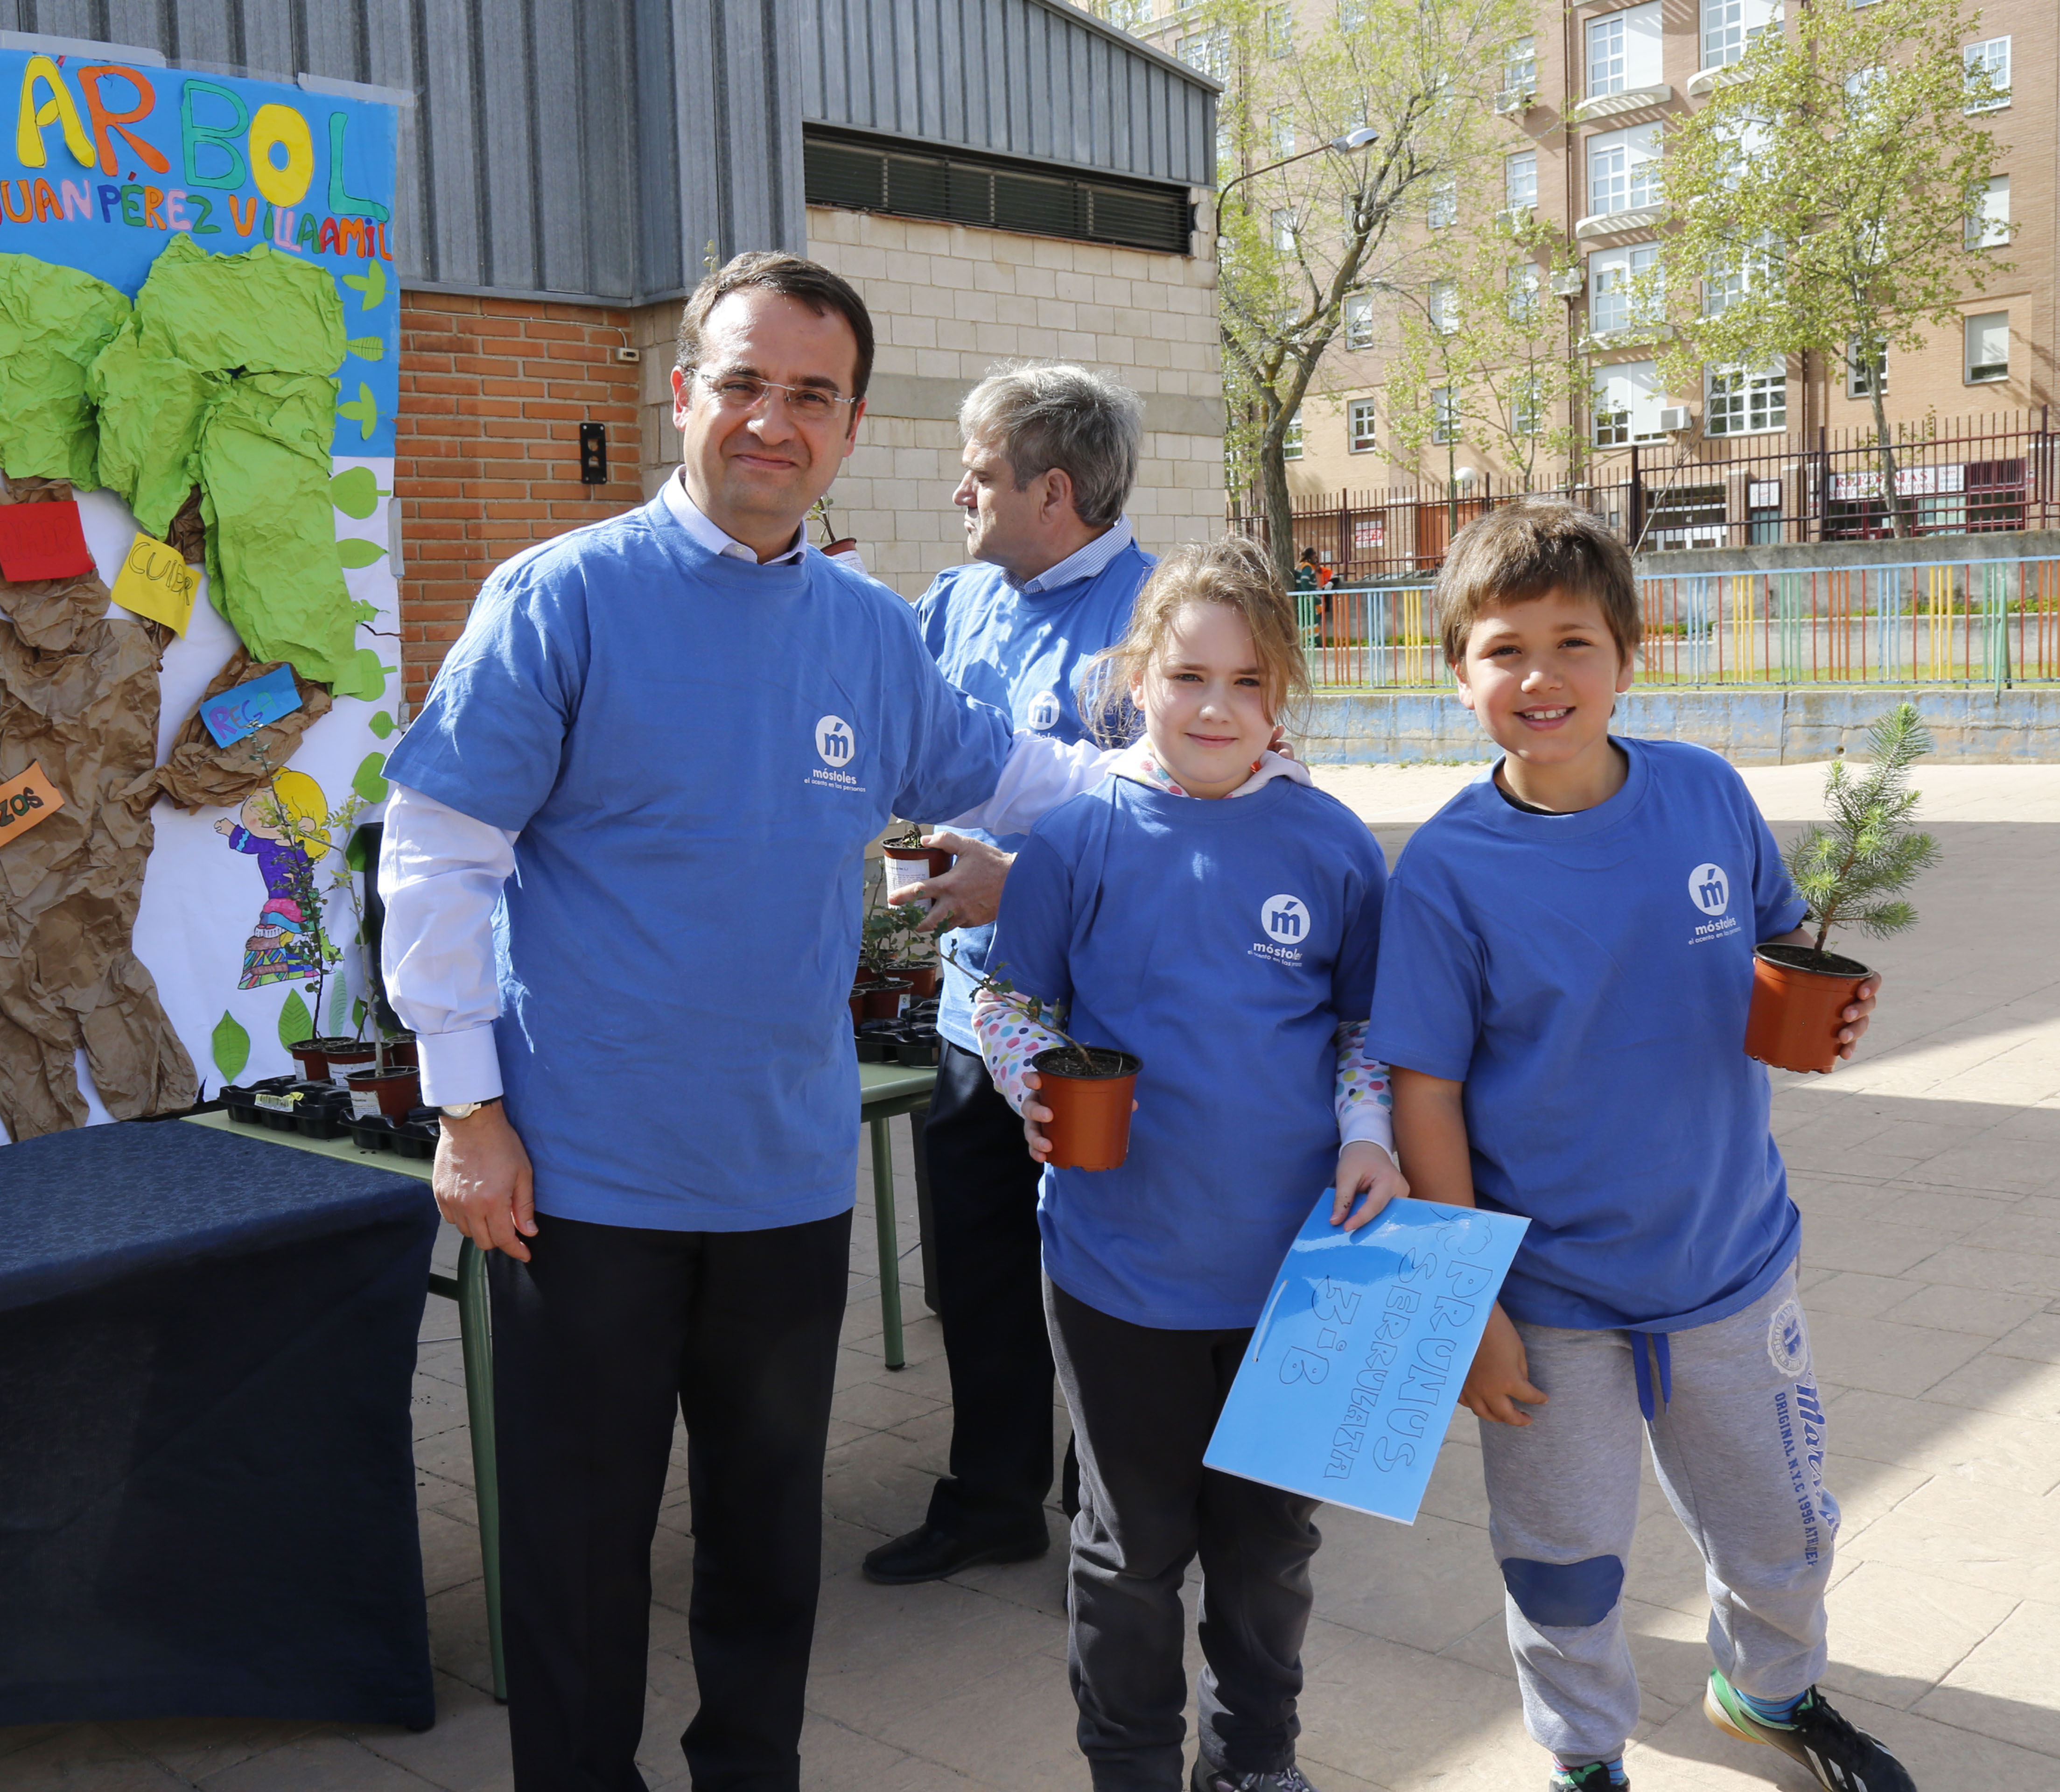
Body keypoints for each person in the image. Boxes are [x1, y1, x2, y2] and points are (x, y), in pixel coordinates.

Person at [378, 252, 1112, 1792]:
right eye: (745, 384)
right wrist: (467, 1110)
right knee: (579, 1557)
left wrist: (1210, 789)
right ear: (684, 396)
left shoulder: (863, 630)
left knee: (768, 1541)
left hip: (785, 1172)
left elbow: (1013, 781)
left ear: (849, 428)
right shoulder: (562, 598)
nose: (772, 422)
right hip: (578, 1180)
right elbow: (438, 850)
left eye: (811, 397)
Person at [1368, 502, 1906, 1792]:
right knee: (1563, 1556)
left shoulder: (1706, 794)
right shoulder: (1447, 874)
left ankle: (1768, 1692)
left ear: (1630, 655)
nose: (1542, 677)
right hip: (1552, 1300)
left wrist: (1830, 1006)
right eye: (1504, 650)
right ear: (1459, 677)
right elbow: (1424, 1097)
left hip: (1731, 1261)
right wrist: (1472, 1306)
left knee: (1780, 1522)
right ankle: (1583, 1752)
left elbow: (1784, 947)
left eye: (1574, 643)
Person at [969, 540, 1400, 1792]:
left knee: (1270, 1547)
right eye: (1188, 675)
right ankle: (1133, 1766)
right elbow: (1012, 1005)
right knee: (1134, 1543)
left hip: (1303, 1271)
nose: (1217, 708)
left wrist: (1369, 1133)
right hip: (1120, 1265)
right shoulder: (1077, 837)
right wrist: (1031, 1079)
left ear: (1284, 695)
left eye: (1249, 682)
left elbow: (1365, 1030)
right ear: (1138, 676)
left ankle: (1254, 1758)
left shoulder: (1330, 845)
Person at [861, 363, 1156, 1585]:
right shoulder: (962, 599)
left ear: (1053, 488)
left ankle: (1115, 1510)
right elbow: (908, 745)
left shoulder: (1166, 623)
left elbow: (1184, 834)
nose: (956, 494)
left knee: (1100, 1264)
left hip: (1101, 1018)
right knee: (976, 1264)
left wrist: (1016, 884)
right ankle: (990, 1496)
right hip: (978, 1005)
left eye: (978, 473)